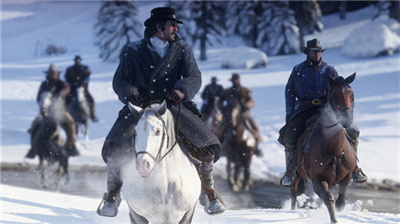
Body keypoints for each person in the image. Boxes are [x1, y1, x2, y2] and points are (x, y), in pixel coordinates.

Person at [97, 7, 225, 217]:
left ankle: (207, 192)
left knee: (206, 143)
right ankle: (112, 195)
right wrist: (129, 93)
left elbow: (194, 76)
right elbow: (121, 80)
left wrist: (182, 91)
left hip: (172, 106)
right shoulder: (133, 50)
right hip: (140, 108)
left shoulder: (182, 48)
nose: (175, 29)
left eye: (175, 26)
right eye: (171, 25)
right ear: (159, 27)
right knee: (115, 145)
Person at [278, 38, 367, 187]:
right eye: (314, 51)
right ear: (307, 53)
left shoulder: (329, 69)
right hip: (305, 110)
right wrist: (289, 112)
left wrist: (340, 111)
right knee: (290, 135)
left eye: (319, 51)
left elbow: (338, 90)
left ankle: (355, 169)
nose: (317, 53)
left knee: (352, 131)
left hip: (326, 109)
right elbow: (289, 91)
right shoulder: (298, 70)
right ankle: (291, 171)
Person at [25, 64, 79, 158]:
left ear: (57, 74)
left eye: (53, 73)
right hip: (46, 112)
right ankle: (33, 148)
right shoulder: (44, 84)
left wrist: (59, 94)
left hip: (60, 111)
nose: (52, 74)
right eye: (51, 73)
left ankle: (71, 145)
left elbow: (67, 90)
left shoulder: (62, 84)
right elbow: (39, 96)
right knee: (33, 127)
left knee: (71, 124)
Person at [217, 73, 263, 157]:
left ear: (238, 80)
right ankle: (218, 147)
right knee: (220, 127)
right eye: (234, 80)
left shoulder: (245, 90)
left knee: (253, 125)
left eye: (236, 79)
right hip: (229, 113)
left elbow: (251, 101)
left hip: (243, 113)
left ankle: (256, 146)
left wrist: (246, 106)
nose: (235, 81)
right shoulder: (227, 91)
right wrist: (223, 109)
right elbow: (219, 101)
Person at [65, 55, 99, 122]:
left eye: (79, 60)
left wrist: (84, 82)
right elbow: (67, 78)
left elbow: (88, 76)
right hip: (73, 90)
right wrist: (72, 83)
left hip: (83, 89)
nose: (77, 61)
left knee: (91, 101)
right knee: (66, 102)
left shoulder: (85, 68)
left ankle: (92, 115)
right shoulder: (70, 69)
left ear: (80, 60)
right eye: (76, 60)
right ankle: (66, 116)